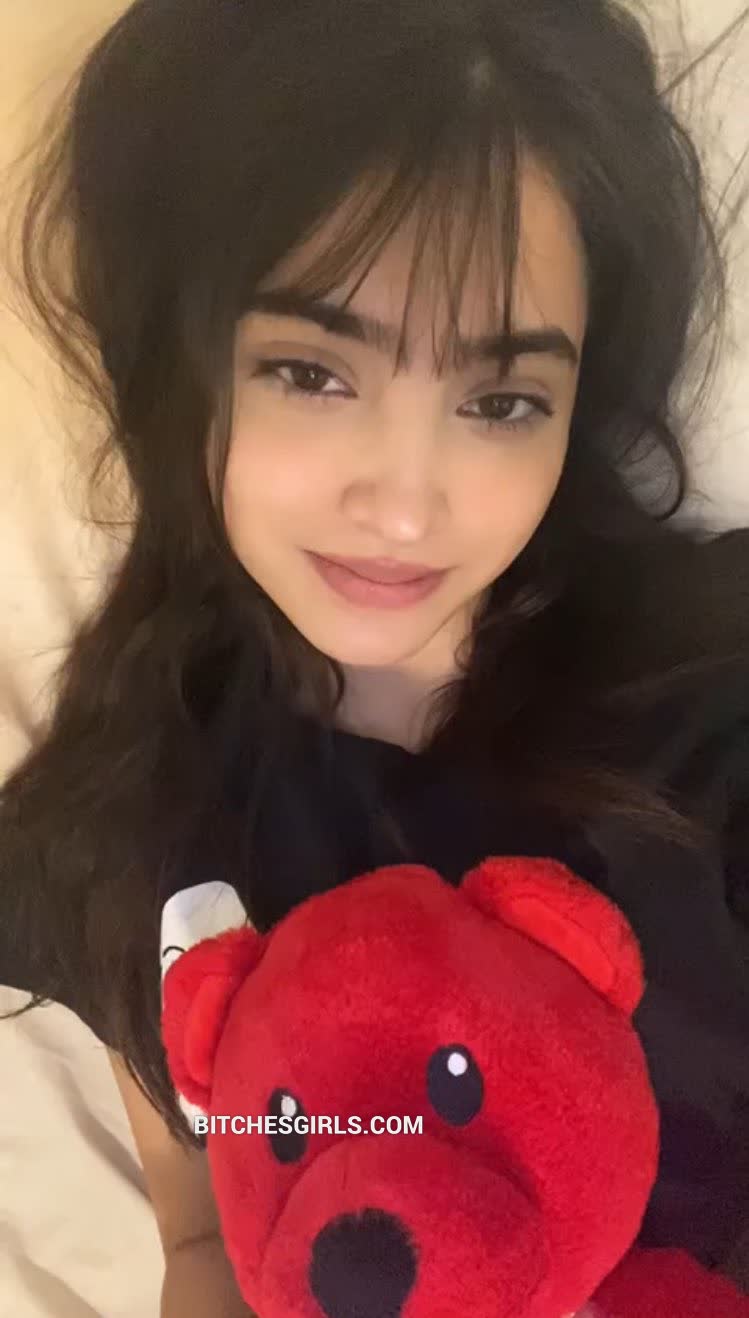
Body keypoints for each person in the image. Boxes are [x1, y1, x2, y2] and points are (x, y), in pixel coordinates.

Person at [1, 0, 748, 1313]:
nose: (405, 507)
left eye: (500, 401)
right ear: (186, 367)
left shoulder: (718, 688)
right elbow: (206, 1246)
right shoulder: (134, 819)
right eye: (312, 372)